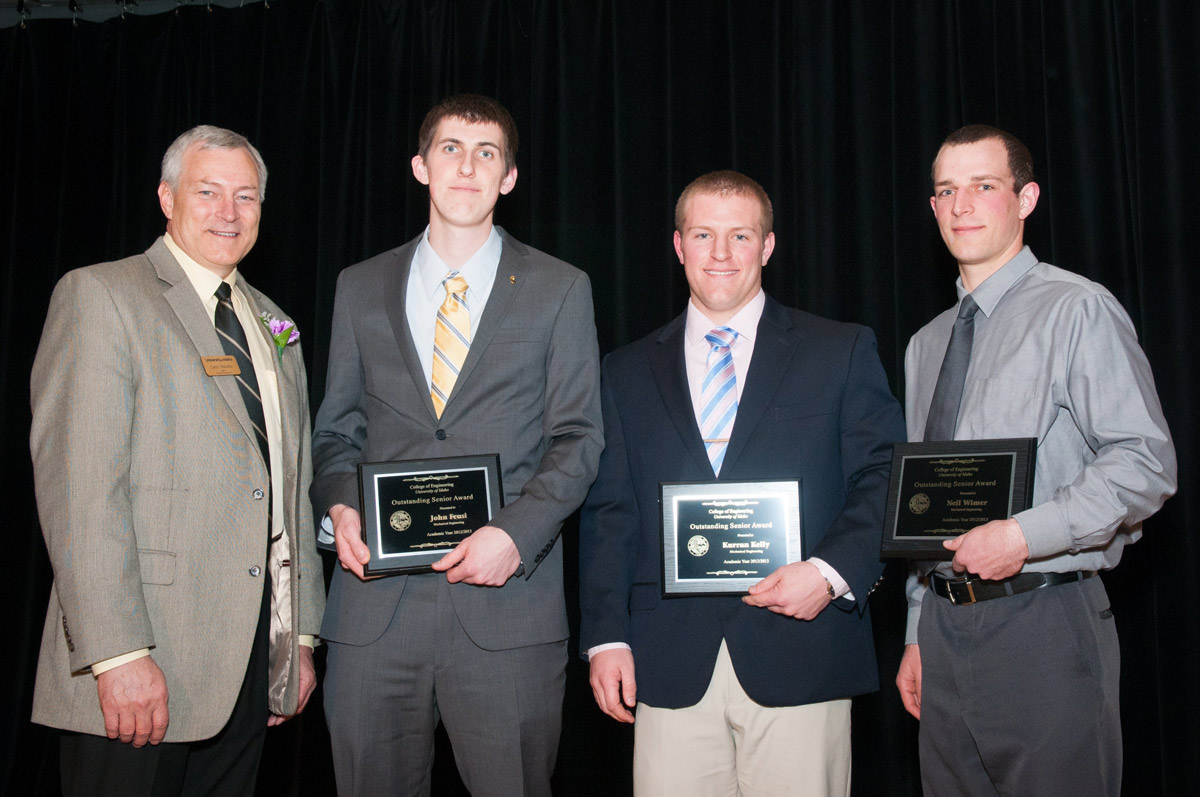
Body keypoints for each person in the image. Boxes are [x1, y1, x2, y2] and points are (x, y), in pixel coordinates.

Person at [311, 94, 603, 796]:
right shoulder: (359, 287)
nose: (466, 167)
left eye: (486, 153)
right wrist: (343, 512)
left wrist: (515, 533)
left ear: (508, 177)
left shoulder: (561, 288)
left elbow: (579, 437)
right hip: (373, 613)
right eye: (450, 149)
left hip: (509, 610)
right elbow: (336, 431)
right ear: (420, 166)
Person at [579, 170, 905, 795]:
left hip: (801, 646)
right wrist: (606, 637)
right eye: (704, 234)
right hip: (667, 660)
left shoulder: (837, 350)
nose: (721, 254)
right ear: (679, 246)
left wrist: (830, 573)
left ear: (769, 245)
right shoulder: (623, 372)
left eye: (740, 235)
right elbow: (610, 512)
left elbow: (883, 475)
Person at [30, 125, 325, 795]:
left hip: (250, 671)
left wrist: (299, 637)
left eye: (246, 196)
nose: (229, 212)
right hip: (140, 665)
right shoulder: (102, 295)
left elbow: (290, 490)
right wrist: (117, 653)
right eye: (208, 191)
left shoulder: (276, 325)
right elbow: (79, 490)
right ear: (167, 198)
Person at [895, 124, 1177, 795]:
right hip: (942, 632)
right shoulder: (925, 344)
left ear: (1026, 198)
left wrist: (1024, 534)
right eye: (946, 190)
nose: (962, 205)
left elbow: (1145, 461)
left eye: (983, 186)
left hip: (1044, 623)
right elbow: (919, 505)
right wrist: (916, 626)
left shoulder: (1077, 310)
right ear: (933, 208)